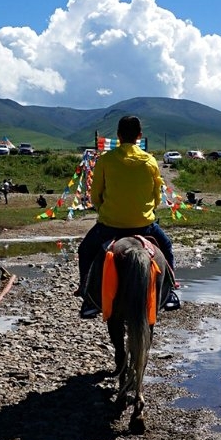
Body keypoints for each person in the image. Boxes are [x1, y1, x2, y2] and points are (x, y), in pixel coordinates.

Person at [77, 115, 180, 318]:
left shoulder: (105, 160)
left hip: (110, 225)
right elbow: (156, 195)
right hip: (144, 226)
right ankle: (170, 293)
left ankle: (88, 297)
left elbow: (95, 194)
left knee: (85, 251)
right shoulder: (150, 161)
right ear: (139, 136)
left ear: (118, 135)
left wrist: (103, 209)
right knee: (166, 247)